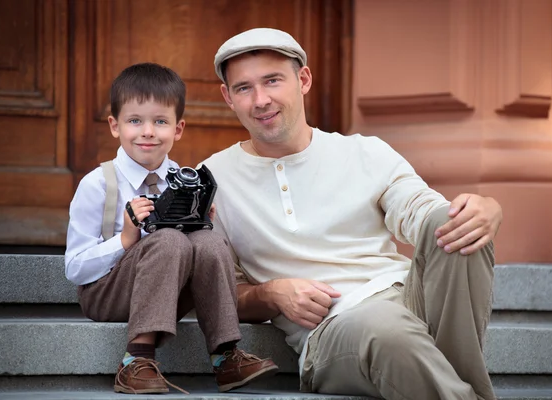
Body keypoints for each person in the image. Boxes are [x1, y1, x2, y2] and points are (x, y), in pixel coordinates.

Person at [201, 28, 503, 400]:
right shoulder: (209, 180)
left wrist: (484, 210)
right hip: (333, 327)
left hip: (407, 296)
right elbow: (216, 290)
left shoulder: (364, 152)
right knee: (385, 329)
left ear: (303, 79)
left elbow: (421, 210)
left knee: (458, 226)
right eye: (244, 88)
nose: (261, 100)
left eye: (273, 81)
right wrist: (271, 294)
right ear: (227, 97)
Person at [64, 62, 278, 395]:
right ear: (114, 126)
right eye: (135, 121)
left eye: (160, 122)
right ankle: (135, 361)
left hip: (168, 288)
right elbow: (75, 269)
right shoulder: (98, 184)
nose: (147, 131)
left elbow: (196, 249)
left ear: (177, 130)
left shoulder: (184, 179)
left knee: (208, 241)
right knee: (167, 241)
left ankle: (226, 357)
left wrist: (200, 220)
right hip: (107, 293)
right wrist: (124, 239)